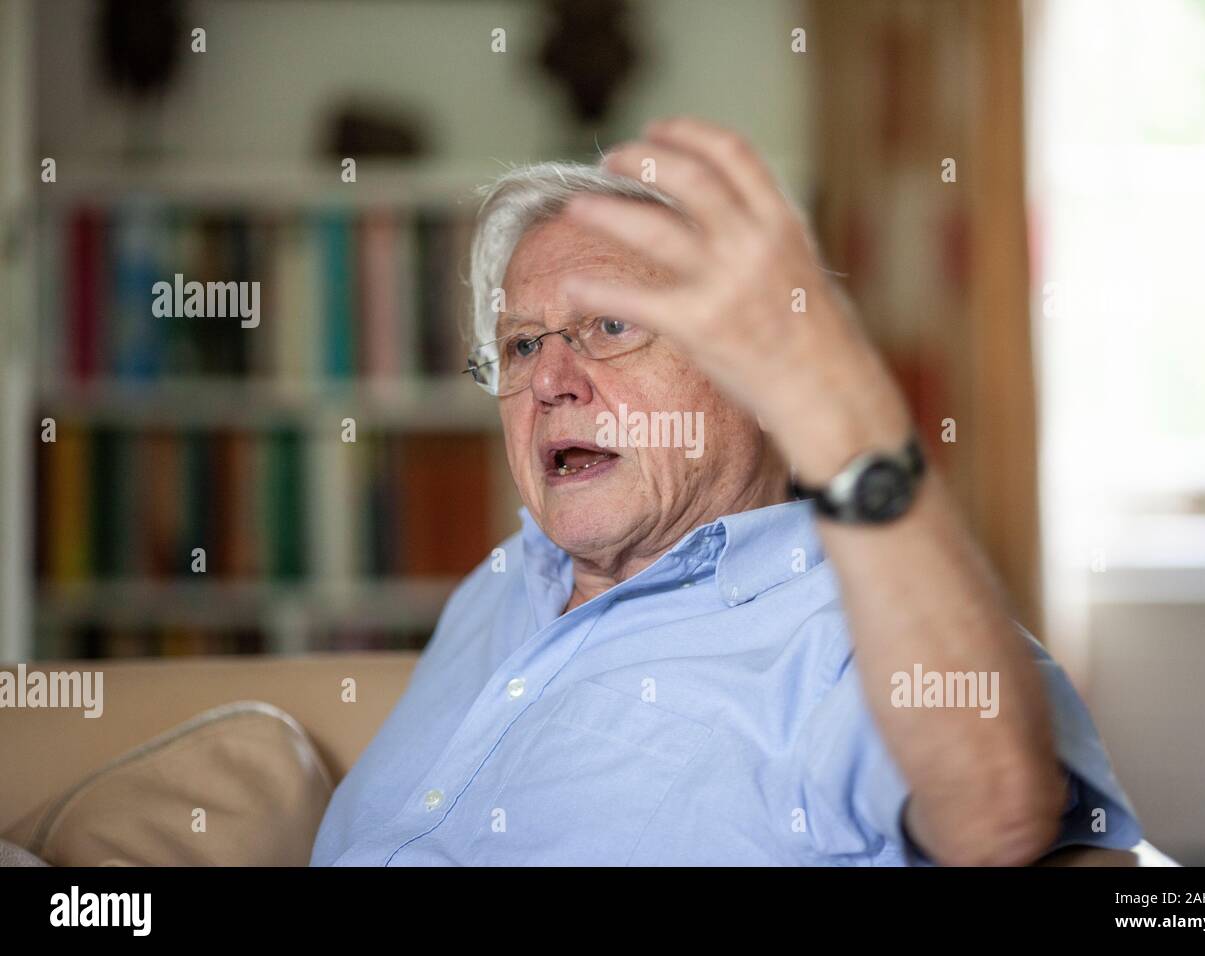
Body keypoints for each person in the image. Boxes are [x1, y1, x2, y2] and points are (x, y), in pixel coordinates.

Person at [312, 117, 1140, 866]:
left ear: (753, 370)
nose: (551, 381)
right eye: (522, 344)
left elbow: (998, 812)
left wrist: (834, 399)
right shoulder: (498, 585)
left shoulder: (853, 633)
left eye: (610, 325)